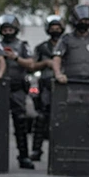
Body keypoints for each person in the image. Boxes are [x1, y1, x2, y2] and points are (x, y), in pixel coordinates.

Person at [0, 14, 36, 170]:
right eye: (5, 29)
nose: (8, 32)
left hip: (17, 88)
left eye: (10, 29)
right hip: (0, 88)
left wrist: (15, 58)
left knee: (20, 123)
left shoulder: (22, 45)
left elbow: (31, 64)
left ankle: (24, 156)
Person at [30, 15, 64, 161]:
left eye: (58, 28)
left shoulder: (66, 44)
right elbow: (32, 65)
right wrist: (46, 63)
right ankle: (37, 150)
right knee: (42, 117)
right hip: (46, 85)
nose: (55, 31)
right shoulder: (42, 47)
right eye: (52, 28)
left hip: (63, 84)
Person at [52, 5, 89, 83]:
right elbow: (57, 58)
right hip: (70, 81)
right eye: (81, 21)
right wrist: (58, 74)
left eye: (86, 21)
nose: (84, 23)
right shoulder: (66, 39)